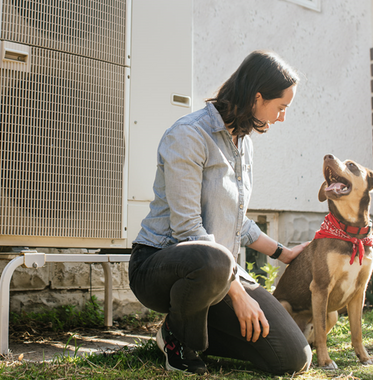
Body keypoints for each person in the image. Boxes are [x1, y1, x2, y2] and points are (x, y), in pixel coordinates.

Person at [129, 50, 312, 375]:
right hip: (162, 264)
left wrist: (283, 253)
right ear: (257, 97)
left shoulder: (243, 143)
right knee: (214, 259)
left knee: (294, 357)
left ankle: (188, 329)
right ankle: (180, 341)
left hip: (218, 274)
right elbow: (188, 230)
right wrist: (239, 294)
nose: (282, 117)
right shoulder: (189, 135)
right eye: (281, 107)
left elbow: (235, 221)